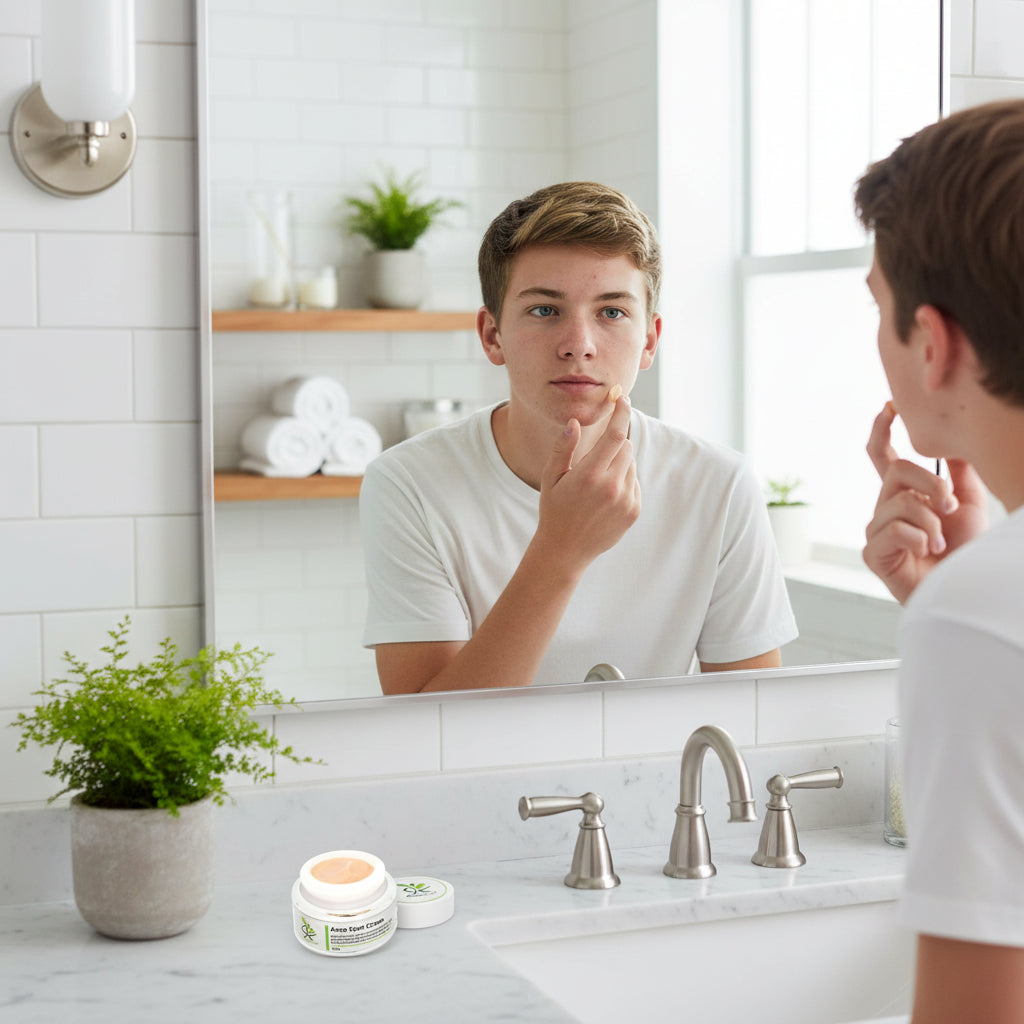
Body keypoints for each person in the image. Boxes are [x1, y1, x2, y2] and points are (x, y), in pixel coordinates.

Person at [360, 181, 796, 695]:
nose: (579, 346)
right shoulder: (409, 483)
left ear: (650, 339)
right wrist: (559, 551)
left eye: (612, 312)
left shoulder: (719, 484)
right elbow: (423, 736)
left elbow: (754, 719)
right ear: (491, 335)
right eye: (545, 310)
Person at [855, 99, 1024, 1022]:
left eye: (880, 311)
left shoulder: (979, 615)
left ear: (934, 341)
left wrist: (957, 604)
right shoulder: (980, 601)